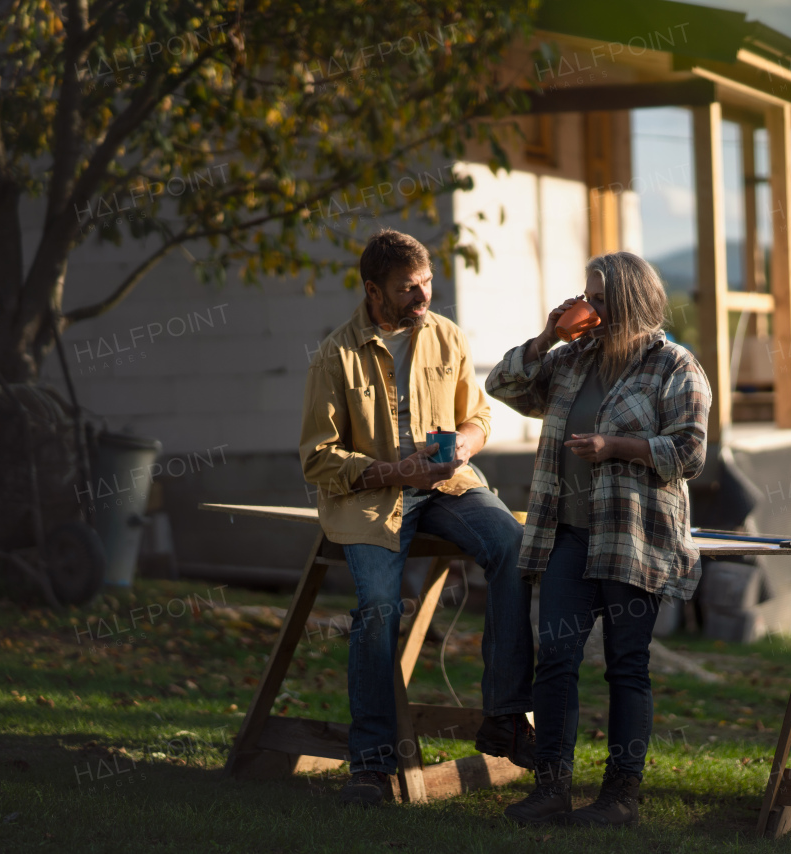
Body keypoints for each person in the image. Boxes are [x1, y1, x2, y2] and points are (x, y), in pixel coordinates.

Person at [300, 229, 536, 806]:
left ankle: (504, 718)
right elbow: (317, 458)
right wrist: (397, 474)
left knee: (512, 545)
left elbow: (478, 416)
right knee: (379, 609)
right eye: (409, 289)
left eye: (428, 283)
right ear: (374, 292)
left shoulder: (446, 336)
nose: (423, 296)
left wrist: (465, 446)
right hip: (374, 500)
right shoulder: (336, 353)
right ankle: (372, 766)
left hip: (450, 485)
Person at [486, 251, 711, 827]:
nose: (592, 307)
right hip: (569, 535)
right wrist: (544, 336)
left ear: (633, 301)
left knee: (626, 665)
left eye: (603, 298)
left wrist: (618, 448)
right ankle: (551, 787)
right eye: (588, 294)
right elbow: (504, 385)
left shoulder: (674, 366)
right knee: (556, 659)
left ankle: (619, 798)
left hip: (634, 540)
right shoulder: (572, 359)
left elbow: (689, 452)